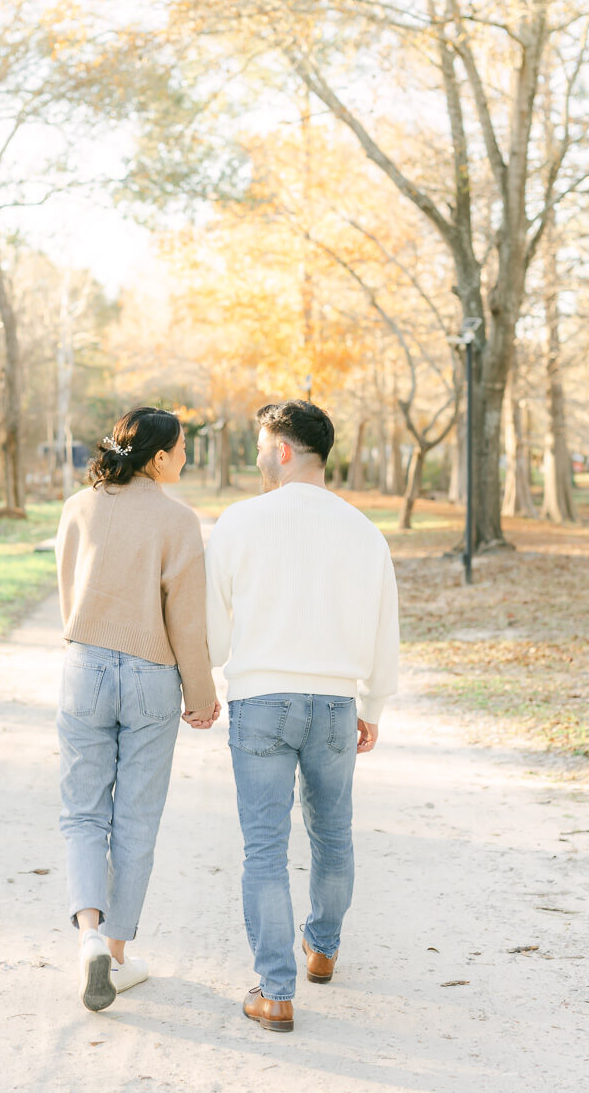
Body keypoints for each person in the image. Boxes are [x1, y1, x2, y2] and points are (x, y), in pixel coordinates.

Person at [205, 400, 399, 1033]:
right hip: (337, 703)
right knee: (333, 835)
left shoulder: (240, 521)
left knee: (264, 848)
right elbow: (383, 628)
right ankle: (322, 948)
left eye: (263, 444)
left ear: (283, 449)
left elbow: (213, 623)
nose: (259, 456)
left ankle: (275, 991)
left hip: (261, 699)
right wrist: (371, 704)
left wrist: (206, 676)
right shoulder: (364, 531)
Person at [55, 407, 220, 1013]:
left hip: (86, 665)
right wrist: (200, 697)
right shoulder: (179, 521)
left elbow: (70, 591)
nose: (186, 459)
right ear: (157, 458)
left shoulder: (79, 506)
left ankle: (90, 937)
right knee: (137, 818)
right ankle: (118, 958)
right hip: (152, 675)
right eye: (181, 450)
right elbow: (187, 618)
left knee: (81, 813)